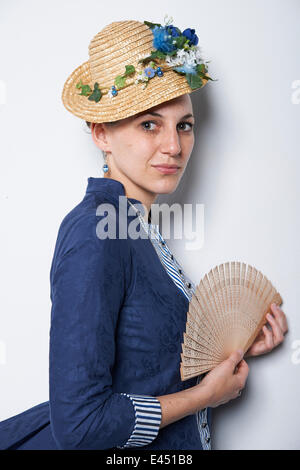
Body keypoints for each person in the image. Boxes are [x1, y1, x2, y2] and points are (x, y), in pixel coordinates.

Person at [0, 17, 288, 451]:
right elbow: (80, 427)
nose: (173, 145)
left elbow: (142, 366)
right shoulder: (96, 231)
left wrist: (233, 352)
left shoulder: (133, 229)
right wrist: (203, 398)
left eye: (184, 125)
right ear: (102, 134)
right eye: (149, 124)